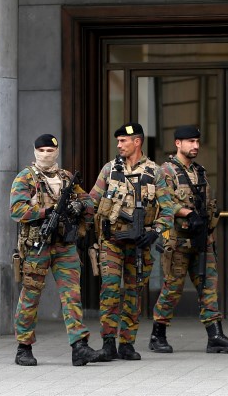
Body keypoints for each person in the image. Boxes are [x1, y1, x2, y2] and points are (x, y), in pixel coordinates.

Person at [10, 134, 108, 367]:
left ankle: (79, 347)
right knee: (31, 296)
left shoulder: (66, 178)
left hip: (65, 245)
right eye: (41, 150)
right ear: (35, 152)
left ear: (56, 152)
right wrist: (46, 211)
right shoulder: (26, 178)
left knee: (72, 295)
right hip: (38, 245)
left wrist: (77, 205)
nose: (46, 154)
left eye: (50, 150)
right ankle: (23, 347)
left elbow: (89, 204)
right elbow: (17, 211)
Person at [149, 125, 228, 354]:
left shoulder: (200, 172)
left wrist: (208, 229)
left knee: (208, 288)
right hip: (178, 242)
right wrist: (188, 214)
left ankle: (215, 336)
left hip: (202, 240)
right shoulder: (166, 171)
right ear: (178, 144)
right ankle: (157, 334)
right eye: (190, 141)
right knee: (172, 289)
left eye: (198, 141)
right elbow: (165, 202)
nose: (196, 146)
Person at [89, 122, 174, 361]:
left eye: (123, 141)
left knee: (135, 293)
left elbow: (168, 210)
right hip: (113, 241)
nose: (119, 145)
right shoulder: (109, 169)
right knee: (110, 290)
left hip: (140, 243)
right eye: (117, 141)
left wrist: (156, 231)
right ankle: (108, 343)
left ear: (137, 142)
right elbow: (92, 200)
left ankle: (127, 343)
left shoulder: (155, 172)